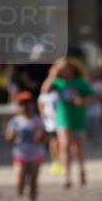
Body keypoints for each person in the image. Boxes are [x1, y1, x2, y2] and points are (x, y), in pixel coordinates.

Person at [41, 57, 96, 188]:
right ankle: (67, 176)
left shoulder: (80, 82)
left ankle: (82, 170)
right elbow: (45, 90)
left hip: (78, 119)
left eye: (66, 67)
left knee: (77, 147)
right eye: (61, 68)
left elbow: (92, 96)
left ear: (72, 68)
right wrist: (52, 74)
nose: (64, 70)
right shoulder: (58, 82)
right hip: (62, 118)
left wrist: (82, 101)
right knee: (64, 146)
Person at [5, 92, 46, 201]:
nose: (25, 107)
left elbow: (46, 137)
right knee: (19, 178)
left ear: (32, 105)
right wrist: (11, 136)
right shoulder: (15, 121)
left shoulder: (38, 120)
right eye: (22, 105)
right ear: (18, 107)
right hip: (20, 154)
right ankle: (20, 189)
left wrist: (40, 136)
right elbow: (8, 137)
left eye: (28, 104)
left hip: (36, 154)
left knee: (33, 180)